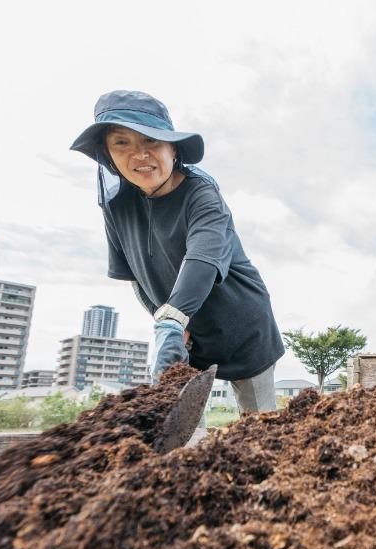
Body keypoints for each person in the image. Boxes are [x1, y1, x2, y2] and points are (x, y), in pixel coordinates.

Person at [71, 90, 284, 435]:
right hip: (187, 337)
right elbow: (135, 275)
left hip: (243, 327)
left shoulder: (202, 196)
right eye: (121, 143)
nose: (139, 154)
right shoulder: (117, 207)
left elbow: (202, 258)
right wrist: (164, 322)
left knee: (262, 431)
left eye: (151, 141)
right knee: (184, 438)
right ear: (108, 155)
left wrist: (172, 317)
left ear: (173, 149)